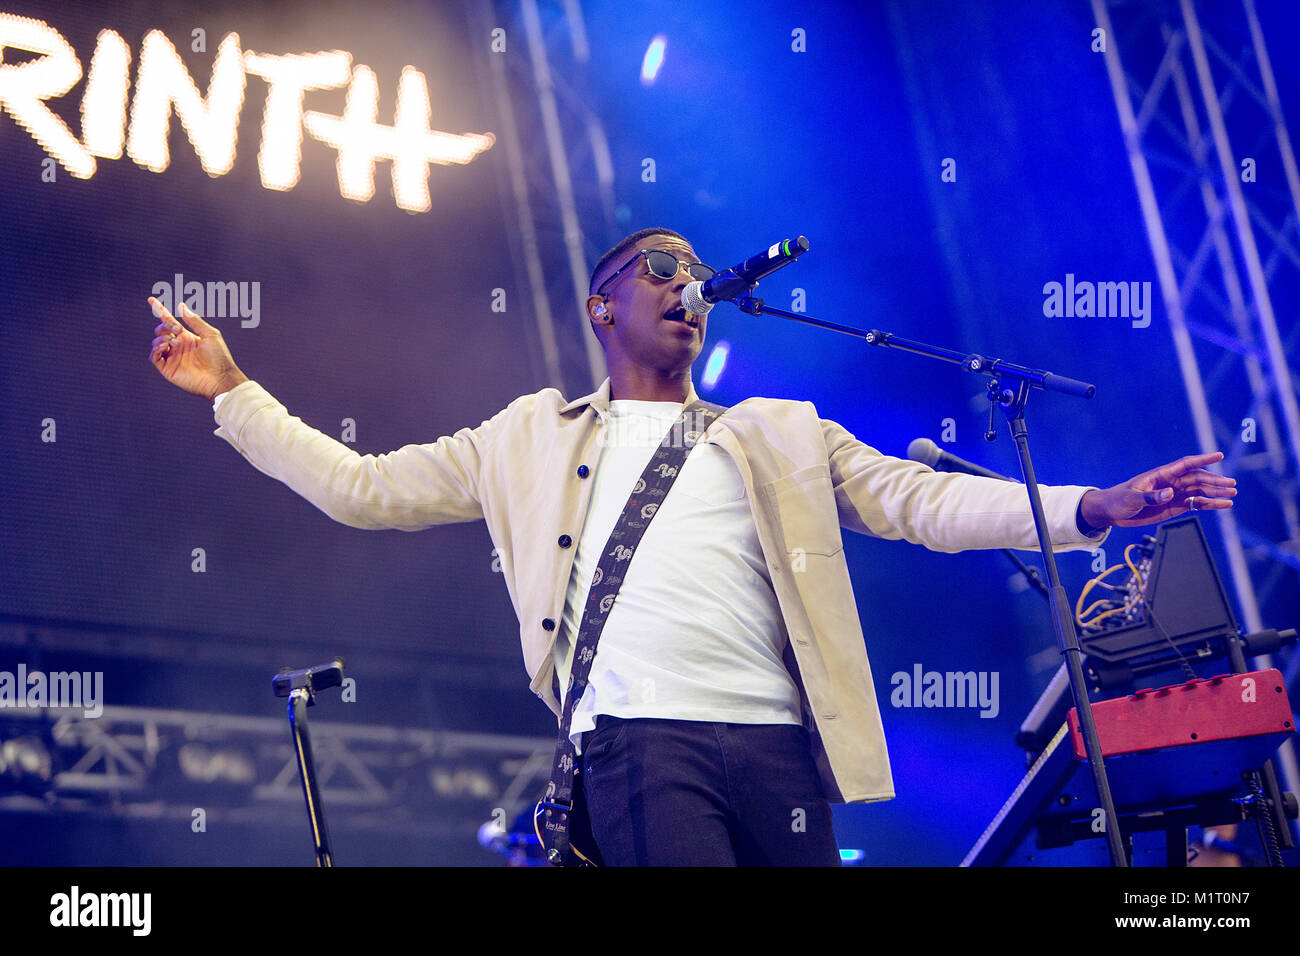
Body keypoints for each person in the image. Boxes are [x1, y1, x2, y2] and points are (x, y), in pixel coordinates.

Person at [146, 227, 1237, 866]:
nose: (686, 287)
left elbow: (919, 501)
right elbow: (359, 487)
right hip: (640, 745)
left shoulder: (779, 431)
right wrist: (236, 393)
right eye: (660, 267)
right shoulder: (525, 435)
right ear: (601, 303)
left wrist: (1093, 505)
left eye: (695, 275)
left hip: (784, 749)